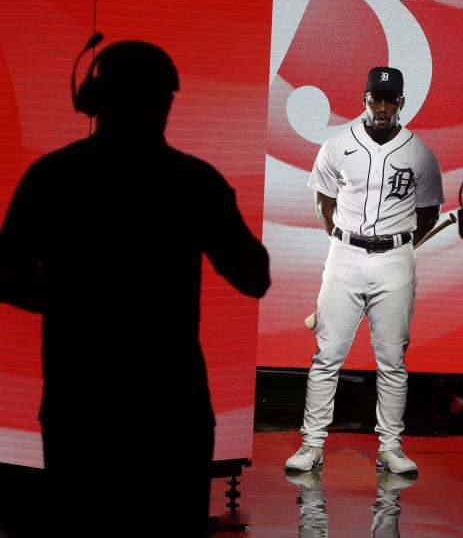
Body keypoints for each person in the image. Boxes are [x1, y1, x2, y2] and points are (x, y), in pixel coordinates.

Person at [0, 39, 271, 537]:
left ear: (92, 99)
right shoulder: (195, 182)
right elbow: (254, 277)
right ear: (165, 102)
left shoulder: (51, 177)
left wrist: (72, 303)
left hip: (78, 403)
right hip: (171, 406)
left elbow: (5, 273)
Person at [285, 67, 442, 475]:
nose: (383, 107)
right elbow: (324, 205)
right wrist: (344, 243)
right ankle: (312, 445)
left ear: (402, 103)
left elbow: (428, 214)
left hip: (395, 259)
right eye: (376, 99)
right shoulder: (337, 146)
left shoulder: (419, 152)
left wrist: (396, 244)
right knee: (327, 356)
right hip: (345, 254)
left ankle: (391, 447)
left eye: (391, 100)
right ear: (364, 100)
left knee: (392, 359)